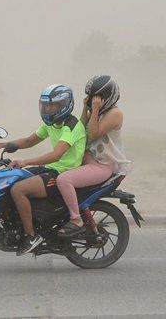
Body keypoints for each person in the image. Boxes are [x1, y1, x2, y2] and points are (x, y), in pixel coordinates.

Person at [0, 84, 87, 255]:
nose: (48, 109)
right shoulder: (52, 123)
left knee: (18, 190)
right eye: (45, 105)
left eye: (52, 106)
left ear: (64, 105)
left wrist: (25, 162)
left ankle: (31, 236)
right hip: (52, 168)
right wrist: (1, 145)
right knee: (12, 176)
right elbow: (29, 141)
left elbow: (56, 155)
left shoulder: (71, 126)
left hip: (63, 172)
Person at [56, 75, 130, 238]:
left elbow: (93, 133)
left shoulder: (115, 113)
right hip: (88, 161)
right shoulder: (99, 111)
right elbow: (81, 129)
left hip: (101, 166)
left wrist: (95, 110)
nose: (92, 100)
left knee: (63, 180)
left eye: (96, 97)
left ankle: (76, 220)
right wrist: (86, 108)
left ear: (106, 97)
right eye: (90, 97)